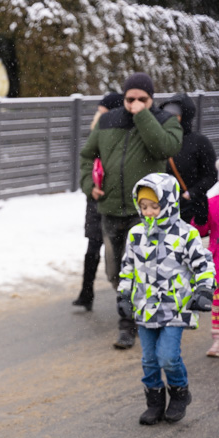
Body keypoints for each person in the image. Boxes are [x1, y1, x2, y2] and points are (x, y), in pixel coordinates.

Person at [79, 72, 182, 349]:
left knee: (139, 269)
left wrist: (142, 117)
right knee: (115, 273)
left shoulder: (164, 122)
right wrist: (90, 185)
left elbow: (165, 147)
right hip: (111, 208)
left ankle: (129, 325)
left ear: (152, 99)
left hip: (147, 211)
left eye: (142, 99)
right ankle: (138, 309)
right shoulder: (108, 121)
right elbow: (87, 155)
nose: (135, 103)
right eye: (130, 98)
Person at [118, 173, 214, 426]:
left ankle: (180, 393)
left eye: (154, 206)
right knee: (149, 359)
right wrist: (124, 293)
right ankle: (155, 402)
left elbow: (203, 265)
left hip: (175, 307)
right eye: (143, 206)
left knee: (168, 356)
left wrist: (204, 290)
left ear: (169, 203)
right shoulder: (135, 234)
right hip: (144, 306)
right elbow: (128, 267)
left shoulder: (186, 234)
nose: (148, 211)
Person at [73, 91, 124, 311]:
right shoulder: (98, 132)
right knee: (93, 246)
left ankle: (127, 302)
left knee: (118, 250)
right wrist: (90, 185)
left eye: (103, 112)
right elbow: (87, 161)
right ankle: (86, 292)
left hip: (115, 199)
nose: (98, 116)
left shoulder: (122, 135)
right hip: (95, 198)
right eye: (98, 112)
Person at [160, 93, 217, 227]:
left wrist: (190, 194)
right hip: (163, 211)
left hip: (191, 211)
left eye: (174, 116)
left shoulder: (199, 142)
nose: (169, 120)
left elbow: (211, 176)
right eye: (165, 116)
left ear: (184, 116)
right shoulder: (159, 141)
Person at [191, 162, 219, 357]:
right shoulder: (213, 203)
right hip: (218, 261)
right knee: (217, 304)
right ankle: (218, 339)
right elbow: (200, 230)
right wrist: (200, 217)